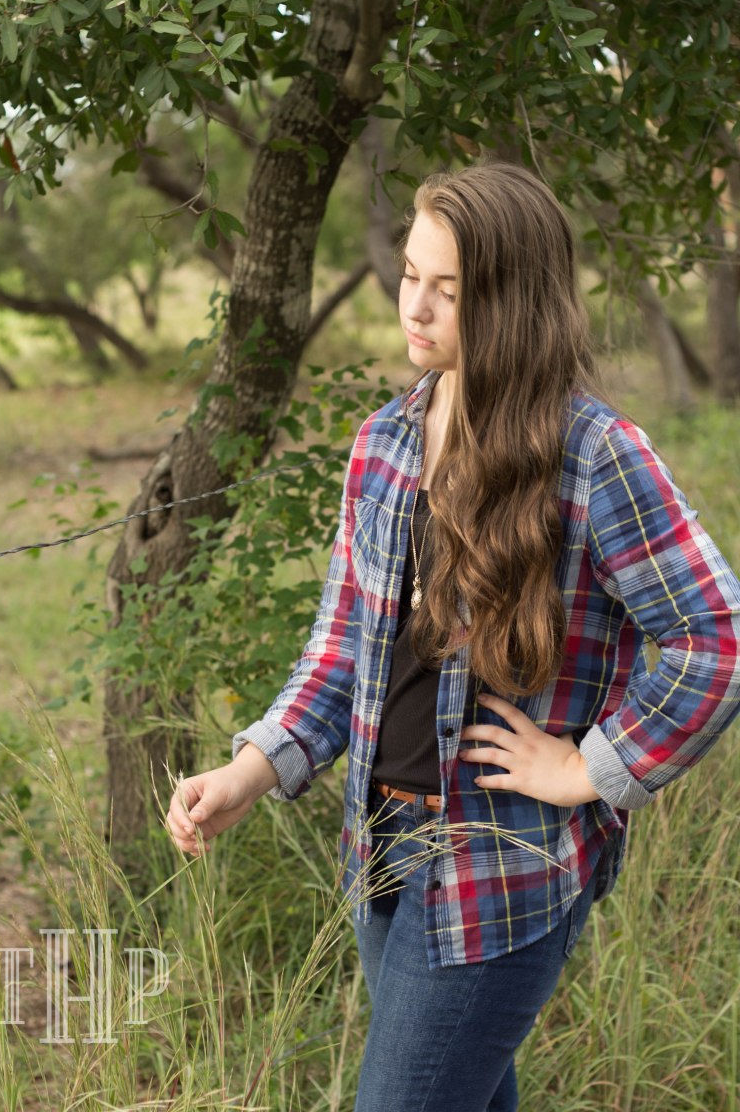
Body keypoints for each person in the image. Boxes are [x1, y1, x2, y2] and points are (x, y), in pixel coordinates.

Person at [167, 162, 740, 1111]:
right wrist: (253, 769)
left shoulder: (593, 456)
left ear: (511, 300)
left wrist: (590, 767)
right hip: (379, 846)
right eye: (408, 276)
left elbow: (715, 635)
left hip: (499, 869)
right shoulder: (386, 441)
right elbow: (343, 648)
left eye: (450, 288)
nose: (416, 309)